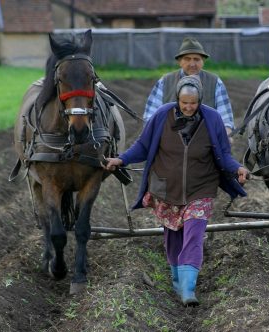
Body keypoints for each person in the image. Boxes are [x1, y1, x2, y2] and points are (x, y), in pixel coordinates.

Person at [105, 75, 249, 307]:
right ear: (177, 100)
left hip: (201, 187)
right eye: (185, 102)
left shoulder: (212, 119)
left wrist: (238, 169)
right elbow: (142, 146)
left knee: (193, 233)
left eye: (193, 103)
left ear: (200, 100)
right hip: (166, 187)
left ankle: (188, 288)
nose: (189, 107)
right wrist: (121, 160)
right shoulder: (162, 115)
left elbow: (224, 154)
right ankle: (176, 278)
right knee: (173, 236)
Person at [143, 37, 235, 142]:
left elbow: (225, 117)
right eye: (187, 59)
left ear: (203, 61)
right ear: (180, 62)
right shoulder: (165, 81)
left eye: (196, 59)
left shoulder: (215, 82)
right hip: (170, 142)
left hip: (205, 142)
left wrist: (226, 135)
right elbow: (150, 116)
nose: (192, 64)